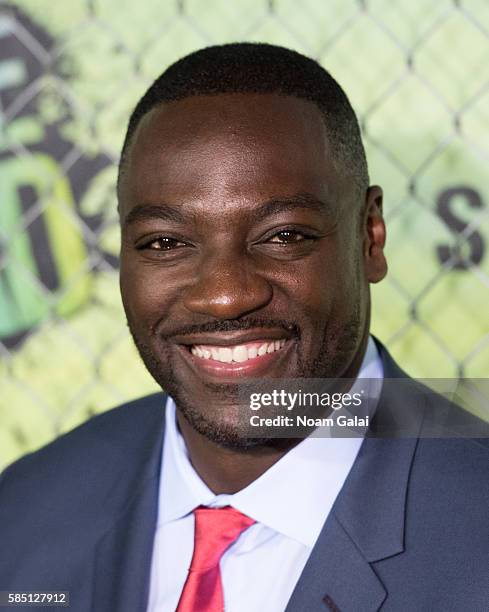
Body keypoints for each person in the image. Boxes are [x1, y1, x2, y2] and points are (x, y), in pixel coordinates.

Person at [0, 43, 488, 612]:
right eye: (165, 243)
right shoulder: (27, 509)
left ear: (370, 236)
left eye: (283, 235)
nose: (225, 296)